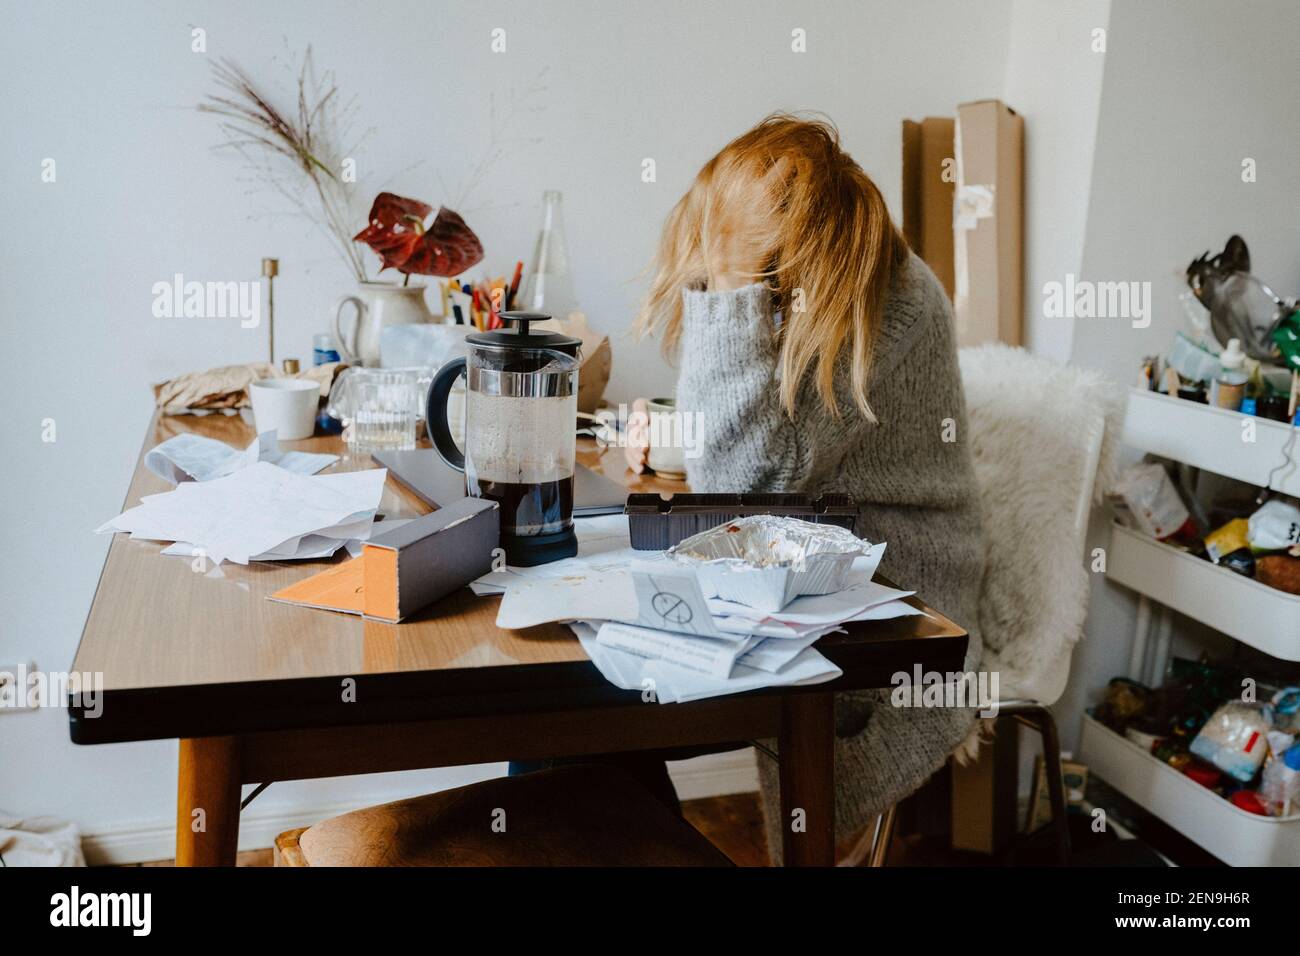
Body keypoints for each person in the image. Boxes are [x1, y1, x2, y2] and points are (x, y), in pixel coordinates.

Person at [629, 113, 987, 856]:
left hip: (899, 599)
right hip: (820, 568)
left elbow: (742, 483)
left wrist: (729, 291)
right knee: (590, 698)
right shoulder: (823, 282)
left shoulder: (884, 293)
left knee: (597, 703)